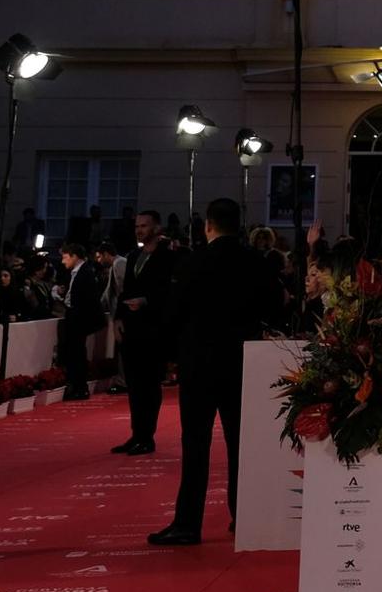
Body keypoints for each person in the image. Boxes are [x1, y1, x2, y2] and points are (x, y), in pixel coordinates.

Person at [150, 199, 280, 546]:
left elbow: (173, 312)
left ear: (208, 225)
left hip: (199, 364)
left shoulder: (194, 262)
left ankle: (188, 523)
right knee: (241, 443)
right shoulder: (256, 262)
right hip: (242, 362)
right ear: (238, 225)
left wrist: (170, 355)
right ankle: (245, 514)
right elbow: (275, 306)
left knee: (196, 444)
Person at [114, 210, 180, 454]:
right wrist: (118, 317)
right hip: (131, 327)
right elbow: (125, 290)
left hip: (153, 330)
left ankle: (147, 436)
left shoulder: (168, 257)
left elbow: (171, 293)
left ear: (156, 228)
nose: (139, 230)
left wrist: (146, 301)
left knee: (149, 385)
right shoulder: (133, 256)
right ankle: (136, 434)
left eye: (144, 226)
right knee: (134, 384)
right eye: (137, 226)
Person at [56, 241, 103, 400]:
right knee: (75, 353)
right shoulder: (77, 272)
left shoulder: (85, 272)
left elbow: (88, 299)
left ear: (74, 256)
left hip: (79, 319)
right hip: (74, 316)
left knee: (77, 354)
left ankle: (80, 387)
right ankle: (77, 386)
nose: (63, 261)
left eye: (65, 257)